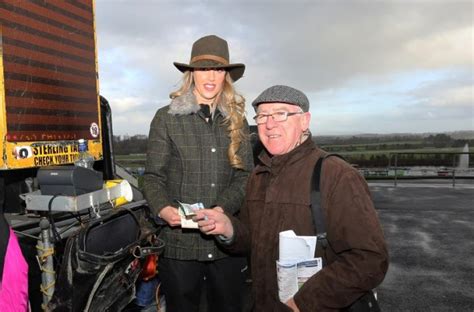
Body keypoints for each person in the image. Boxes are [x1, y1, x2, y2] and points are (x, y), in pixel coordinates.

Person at [195, 85, 389, 311]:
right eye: (263, 116)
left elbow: (369, 259)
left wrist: (302, 303)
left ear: (305, 121)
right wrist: (229, 229)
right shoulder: (258, 176)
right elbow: (253, 242)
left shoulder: (336, 175)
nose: (269, 123)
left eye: (281, 113)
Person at [142, 34, 254, 312]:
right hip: (179, 247)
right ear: (191, 73)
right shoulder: (166, 118)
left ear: (226, 76)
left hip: (225, 247)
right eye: (203, 68)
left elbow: (245, 176)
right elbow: (152, 176)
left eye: (217, 69)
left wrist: (221, 210)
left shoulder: (237, 120)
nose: (211, 76)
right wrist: (163, 208)